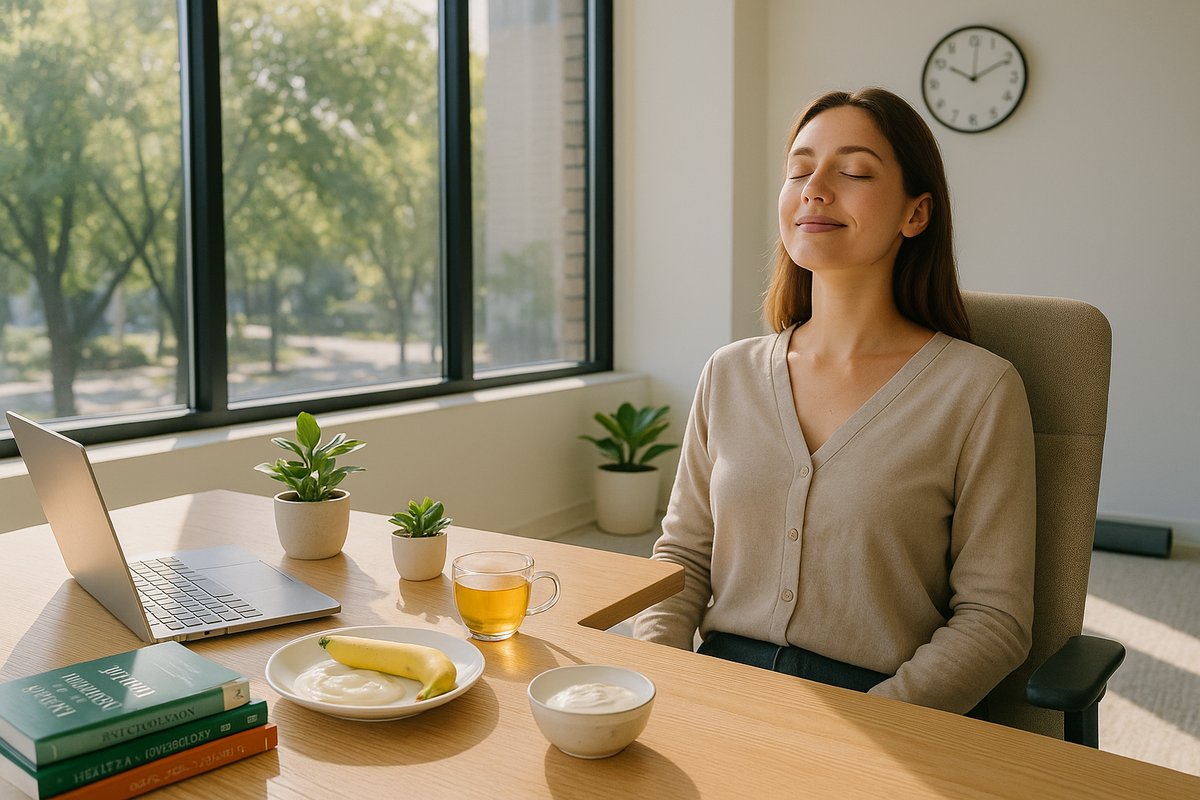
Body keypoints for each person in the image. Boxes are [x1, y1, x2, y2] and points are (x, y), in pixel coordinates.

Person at [632, 88, 1036, 717]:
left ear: (916, 213)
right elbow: (681, 556)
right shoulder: (729, 373)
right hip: (714, 692)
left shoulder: (979, 391)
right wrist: (663, 677)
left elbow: (995, 618)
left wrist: (877, 725)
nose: (815, 188)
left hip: (882, 708)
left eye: (853, 172)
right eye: (799, 169)